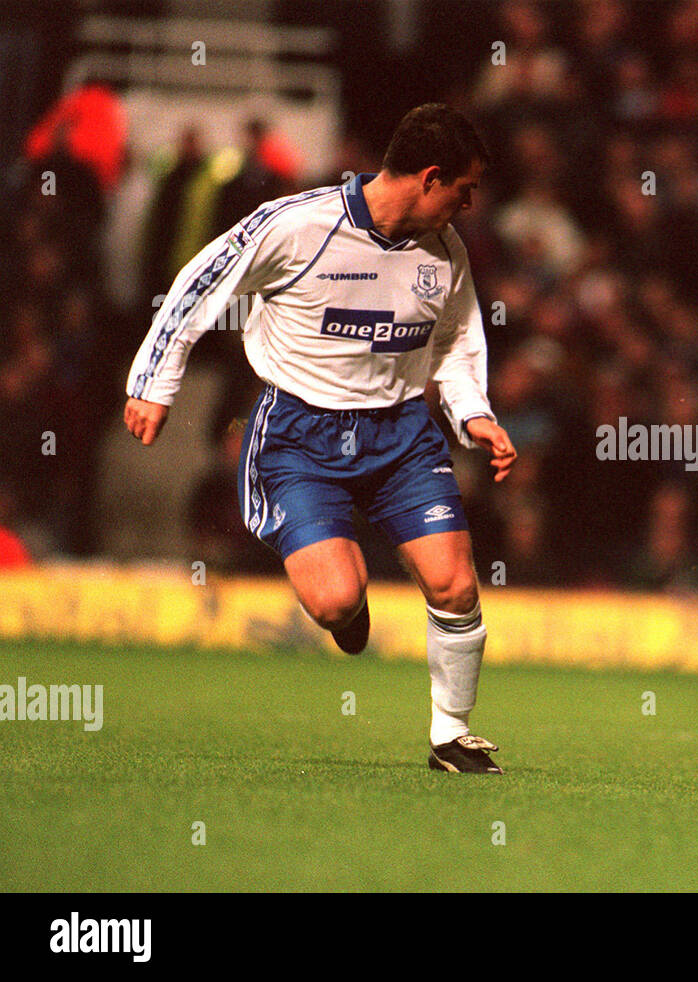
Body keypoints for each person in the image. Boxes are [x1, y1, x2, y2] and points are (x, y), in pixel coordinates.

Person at [124, 104, 517, 775]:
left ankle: (451, 735)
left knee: (455, 587)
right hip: (299, 434)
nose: (471, 203)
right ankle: (346, 610)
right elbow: (201, 280)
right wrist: (153, 382)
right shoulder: (298, 224)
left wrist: (473, 413)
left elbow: (454, 343)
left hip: (401, 435)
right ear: (428, 177)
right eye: (465, 188)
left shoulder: (445, 253)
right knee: (335, 599)